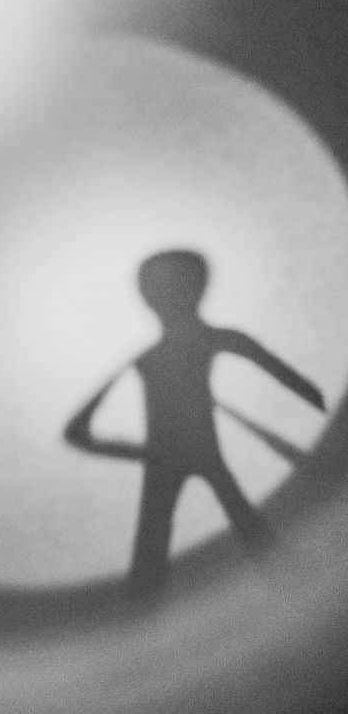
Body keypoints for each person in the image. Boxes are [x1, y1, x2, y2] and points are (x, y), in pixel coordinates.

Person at [63, 248, 326, 595]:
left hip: (185, 457)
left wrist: (145, 452)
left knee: (229, 533)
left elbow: (297, 383)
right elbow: (75, 431)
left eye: (174, 287)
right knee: (173, 549)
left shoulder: (195, 345)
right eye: (159, 290)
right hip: (175, 459)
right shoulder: (151, 357)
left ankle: (294, 590)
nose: (167, 299)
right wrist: (143, 452)